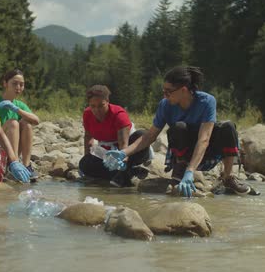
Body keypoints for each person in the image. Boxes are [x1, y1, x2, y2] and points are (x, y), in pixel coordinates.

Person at [104, 66, 250, 197]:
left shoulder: (207, 101)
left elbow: (204, 139)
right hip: (183, 150)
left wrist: (191, 172)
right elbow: (149, 136)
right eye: (163, 91)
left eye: (168, 92)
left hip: (206, 151)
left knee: (228, 127)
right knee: (179, 127)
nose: (165, 95)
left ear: (184, 90)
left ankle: (227, 177)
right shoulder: (165, 105)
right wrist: (124, 152)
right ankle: (180, 167)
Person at [79, 85, 151, 187]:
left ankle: (125, 172)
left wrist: (123, 162)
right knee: (84, 164)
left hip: (129, 150)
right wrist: (87, 158)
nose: (97, 110)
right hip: (107, 150)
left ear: (107, 101)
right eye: (93, 106)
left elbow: (123, 146)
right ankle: (129, 173)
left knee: (142, 135)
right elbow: (88, 137)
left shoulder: (118, 114)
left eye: (101, 105)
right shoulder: (87, 114)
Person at [0, 69, 40, 180]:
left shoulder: (19, 105)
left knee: (27, 123)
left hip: (13, 149)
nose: (18, 87)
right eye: (15, 83)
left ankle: (26, 166)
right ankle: (14, 164)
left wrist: (17, 110)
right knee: (13, 123)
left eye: (21, 85)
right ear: (5, 83)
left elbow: (36, 120)